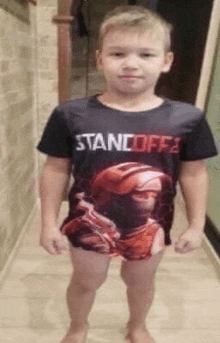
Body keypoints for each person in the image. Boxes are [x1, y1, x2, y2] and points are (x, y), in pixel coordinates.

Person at [37, 5, 218, 343]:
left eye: (146, 54)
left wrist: (195, 225)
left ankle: (137, 326)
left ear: (166, 61)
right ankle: (78, 327)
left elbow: (194, 174)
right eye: (118, 53)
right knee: (85, 281)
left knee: (140, 281)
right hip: (88, 220)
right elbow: (55, 167)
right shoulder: (71, 114)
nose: (131, 63)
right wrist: (48, 221)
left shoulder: (187, 118)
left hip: (151, 226)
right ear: (100, 59)